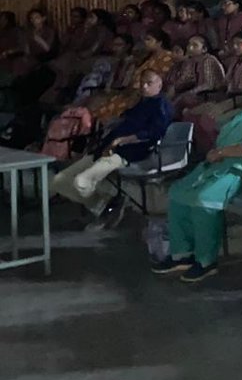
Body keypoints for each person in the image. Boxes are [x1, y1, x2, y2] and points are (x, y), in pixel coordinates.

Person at [153, 67, 242, 283]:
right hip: (222, 164)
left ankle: (206, 261)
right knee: (177, 193)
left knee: (203, 199)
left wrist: (221, 153)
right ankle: (182, 254)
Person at [50, 70, 173, 230]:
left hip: (128, 152)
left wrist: (122, 140)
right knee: (59, 181)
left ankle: (105, 209)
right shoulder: (140, 103)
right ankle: (105, 206)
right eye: (142, 83)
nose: (144, 86)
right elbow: (122, 120)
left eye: (149, 83)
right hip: (105, 148)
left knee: (81, 182)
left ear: (159, 85)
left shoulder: (161, 105)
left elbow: (153, 133)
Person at [91, 28, 180, 122]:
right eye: (145, 39)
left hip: (142, 93)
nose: (145, 42)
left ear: (159, 43)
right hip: (132, 91)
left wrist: (139, 90)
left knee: (114, 108)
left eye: (149, 39)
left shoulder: (166, 57)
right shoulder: (150, 56)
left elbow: (159, 78)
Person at [165, 33, 225, 113]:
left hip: (212, 94)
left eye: (195, 45)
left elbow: (209, 85)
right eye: (189, 45)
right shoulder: (192, 61)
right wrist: (174, 88)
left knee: (182, 100)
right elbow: (185, 79)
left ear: (204, 49)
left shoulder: (208, 60)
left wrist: (191, 92)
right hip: (199, 93)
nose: (190, 48)